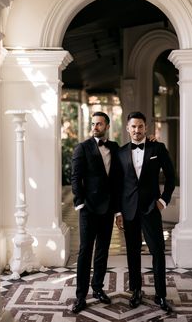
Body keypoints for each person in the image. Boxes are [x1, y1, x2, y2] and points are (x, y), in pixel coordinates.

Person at [115, 111, 175, 313]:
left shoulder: (158, 148)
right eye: (133, 126)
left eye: (140, 126)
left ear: (146, 127)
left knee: (158, 252)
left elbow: (170, 177)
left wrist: (162, 201)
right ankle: (136, 291)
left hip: (151, 209)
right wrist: (118, 212)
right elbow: (117, 186)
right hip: (129, 211)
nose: (137, 130)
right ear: (127, 128)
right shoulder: (121, 152)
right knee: (133, 253)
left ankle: (161, 295)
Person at [71, 111, 119, 313]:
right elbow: (75, 177)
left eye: (99, 124)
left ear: (107, 126)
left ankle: (98, 288)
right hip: (89, 208)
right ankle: (80, 296)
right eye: (93, 124)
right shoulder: (82, 147)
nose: (95, 127)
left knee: (102, 251)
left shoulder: (115, 148)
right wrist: (79, 203)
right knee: (85, 252)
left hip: (107, 209)